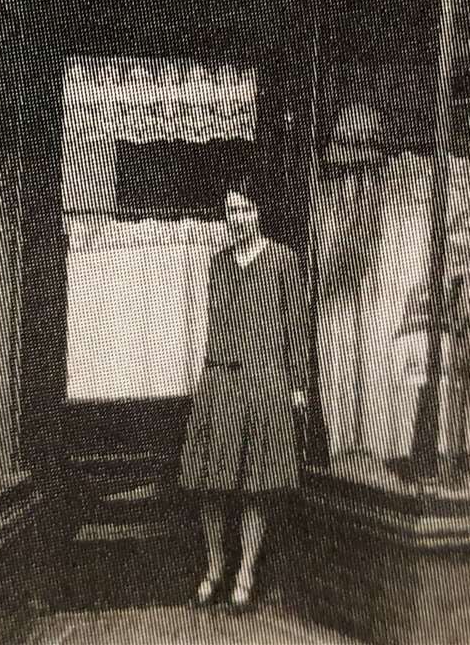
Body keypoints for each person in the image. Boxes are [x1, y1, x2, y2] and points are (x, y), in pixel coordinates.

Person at [178, 172, 312, 615]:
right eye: (229, 211)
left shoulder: (283, 262)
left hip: (265, 381)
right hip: (220, 382)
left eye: (243, 210)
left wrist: (294, 385)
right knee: (209, 485)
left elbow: (297, 328)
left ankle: (247, 572)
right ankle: (214, 567)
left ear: (259, 213)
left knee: (258, 484)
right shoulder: (218, 263)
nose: (235, 219)